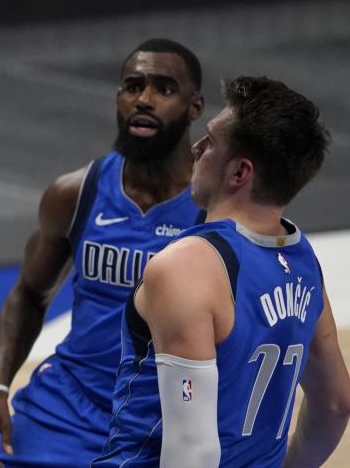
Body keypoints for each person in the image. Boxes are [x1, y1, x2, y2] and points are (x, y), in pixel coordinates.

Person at [0, 39, 206, 468]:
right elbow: (27, 296)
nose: (144, 99)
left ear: (194, 107)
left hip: (158, 418)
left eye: (164, 89)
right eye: (133, 86)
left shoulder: (212, 211)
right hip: (67, 407)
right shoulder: (76, 193)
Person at [92, 76, 350, 467]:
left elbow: (193, 450)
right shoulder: (303, 260)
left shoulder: (188, 265)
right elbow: (335, 405)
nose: (196, 148)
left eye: (210, 141)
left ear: (239, 172)